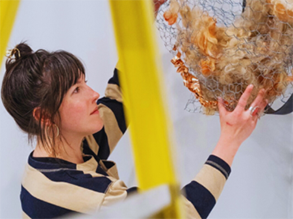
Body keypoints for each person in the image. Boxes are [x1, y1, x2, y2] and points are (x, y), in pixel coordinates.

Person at [1, 3, 267, 219]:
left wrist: (144, 19)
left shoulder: (68, 147)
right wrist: (230, 140)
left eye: (84, 82)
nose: (93, 94)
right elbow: (179, 215)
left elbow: (120, 97)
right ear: (45, 117)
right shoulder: (76, 192)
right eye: (76, 91)